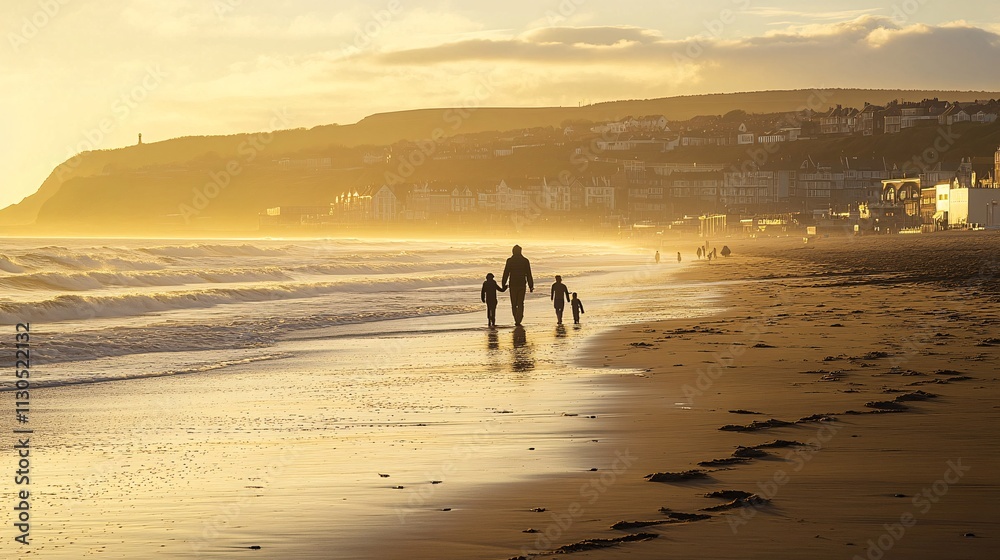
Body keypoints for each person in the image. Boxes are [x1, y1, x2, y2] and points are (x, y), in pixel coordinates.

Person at [502, 245, 533, 326]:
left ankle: (516, 318)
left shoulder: (510, 261)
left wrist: (503, 284)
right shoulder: (525, 261)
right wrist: (531, 285)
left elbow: (506, 273)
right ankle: (519, 318)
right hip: (522, 284)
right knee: (520, 303)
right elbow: (529, 274)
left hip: (513, 284)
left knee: (514, 303)